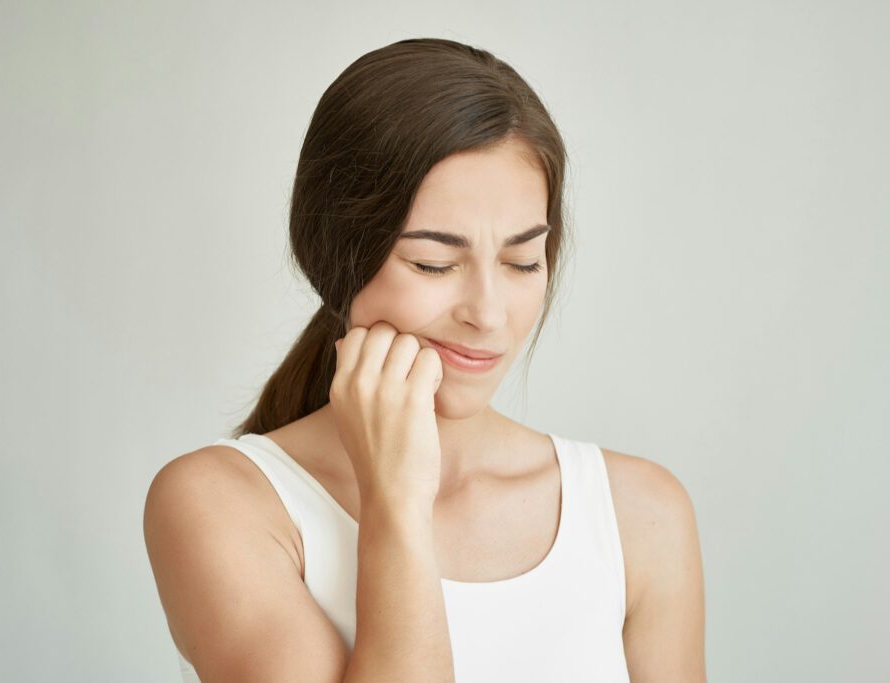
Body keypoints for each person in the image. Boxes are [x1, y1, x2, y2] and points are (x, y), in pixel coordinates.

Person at [143, 37, 706, 683]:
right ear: (338, 258)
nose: (488, 313)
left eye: (523, 262)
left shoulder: (640, 512)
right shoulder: (222, 503)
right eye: (434, 263)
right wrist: (396, 500)